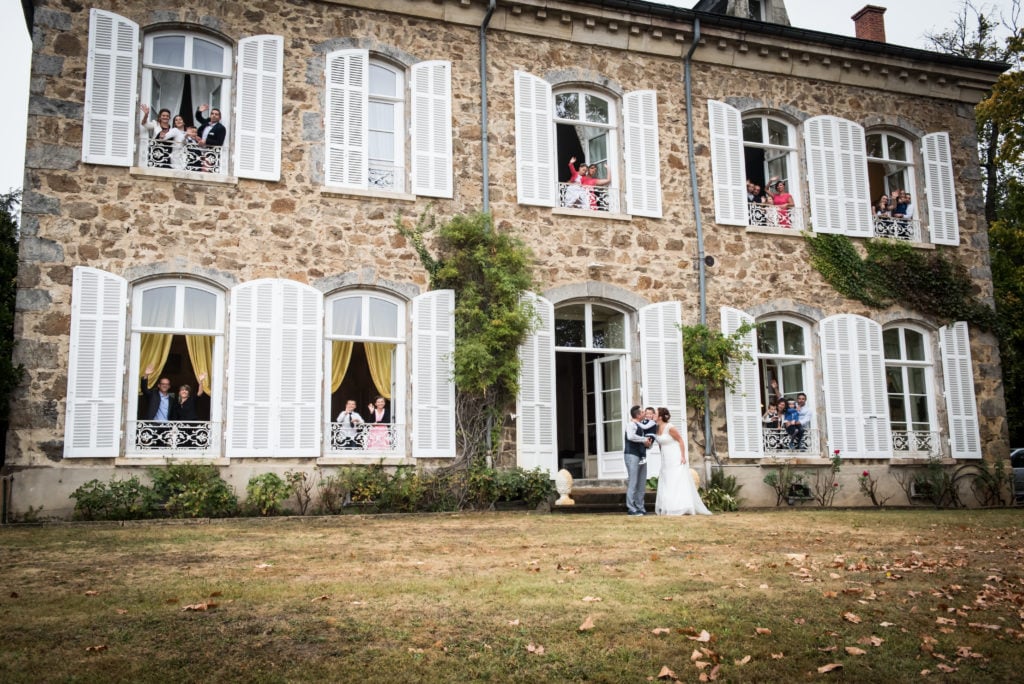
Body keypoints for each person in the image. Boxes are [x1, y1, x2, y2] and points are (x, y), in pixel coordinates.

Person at [653, 407, 711, 516]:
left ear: (660, 417)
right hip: (666, 458)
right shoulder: (656, 428)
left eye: (655, 414)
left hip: (675, 456)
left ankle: (680, 507)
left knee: (676, 480)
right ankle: (668, 506)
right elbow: (660, 444)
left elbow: (680, 440)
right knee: (667, 480)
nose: (653, 416)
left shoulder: (670, 427)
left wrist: (683, 456)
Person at [623, 405, 651, 516]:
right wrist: (644, 439)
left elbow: (643, 442)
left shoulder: (642, 426)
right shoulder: (631, 424)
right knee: (633, 482)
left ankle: (640, 507)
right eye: (643, 412)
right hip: (632, 455)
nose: (645, 413)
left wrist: (648, 443)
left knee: (641, 483)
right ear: (638, 415)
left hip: (641, 456)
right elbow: (630, 436)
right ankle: (631, 508)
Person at [195, 104, 226, 172]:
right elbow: (198, 117)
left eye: (216, 114)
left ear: (219, 117)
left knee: (204, 172)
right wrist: (199, 111)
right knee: (195, 169)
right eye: (212, 113)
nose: (214, 115)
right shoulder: (206, 122)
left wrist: (206, 141)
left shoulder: (221, 128)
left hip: (210, 154)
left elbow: (219, 143)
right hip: (199, 150)